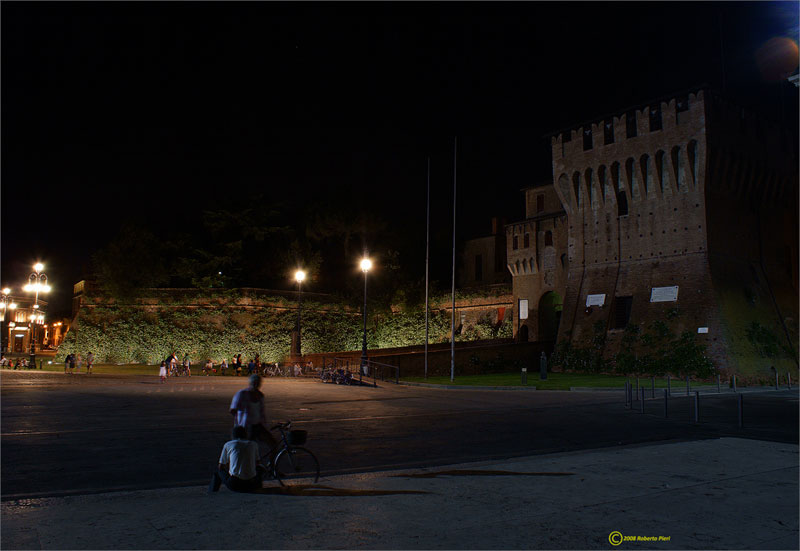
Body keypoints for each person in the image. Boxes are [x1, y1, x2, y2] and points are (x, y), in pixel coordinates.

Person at [230, 374, 278, 457]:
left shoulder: (260, 395)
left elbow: (262, 412)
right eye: (254, 383)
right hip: (246, 427)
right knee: (248, 449)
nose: (256, 385)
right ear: (250, 383)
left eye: (258, 383)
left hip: (258, 425)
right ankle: (252, 465)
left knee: (273, 444)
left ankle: (272, 466)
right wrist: (239, 420)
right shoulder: (242, 394)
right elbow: (233, 409)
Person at [208, 425, 266, 493]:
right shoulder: (253, 444)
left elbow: (221, 466)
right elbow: (257, 463)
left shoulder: (228, 444)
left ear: (233, 435)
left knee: (218, 472)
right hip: (252, 484)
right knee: (261, 468)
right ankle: (258, 486)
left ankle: (212, 492)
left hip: (235, 484)